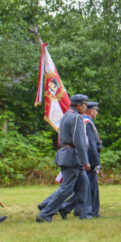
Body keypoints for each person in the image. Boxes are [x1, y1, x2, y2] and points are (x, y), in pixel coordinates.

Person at [37, 94, 91, 223]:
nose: (86, 107)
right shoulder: (76, 118)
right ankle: (45, 212)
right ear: (78, 105)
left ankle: (84, 214)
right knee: (67, 188)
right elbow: (80, 142)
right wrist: (85, 161)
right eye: (84, 104)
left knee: (84, 185)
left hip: (66, 154)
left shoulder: (66, 115)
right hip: (72, 156)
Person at [84, 101, 102, 217]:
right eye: (96, 110)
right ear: (91, 111)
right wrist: (97, 162)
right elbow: (91, 145)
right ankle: (93, 211)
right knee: (92, 186)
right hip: (90, 159)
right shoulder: (87, 123)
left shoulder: (85, 121)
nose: (96, 112)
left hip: (87, 158)